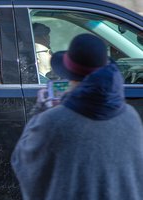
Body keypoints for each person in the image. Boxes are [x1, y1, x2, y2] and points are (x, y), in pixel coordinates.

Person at [11, 34, 143, 200]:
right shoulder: (131, 116)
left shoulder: (53, 121)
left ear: (69, 76)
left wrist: (40, 111)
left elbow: (23, 163)